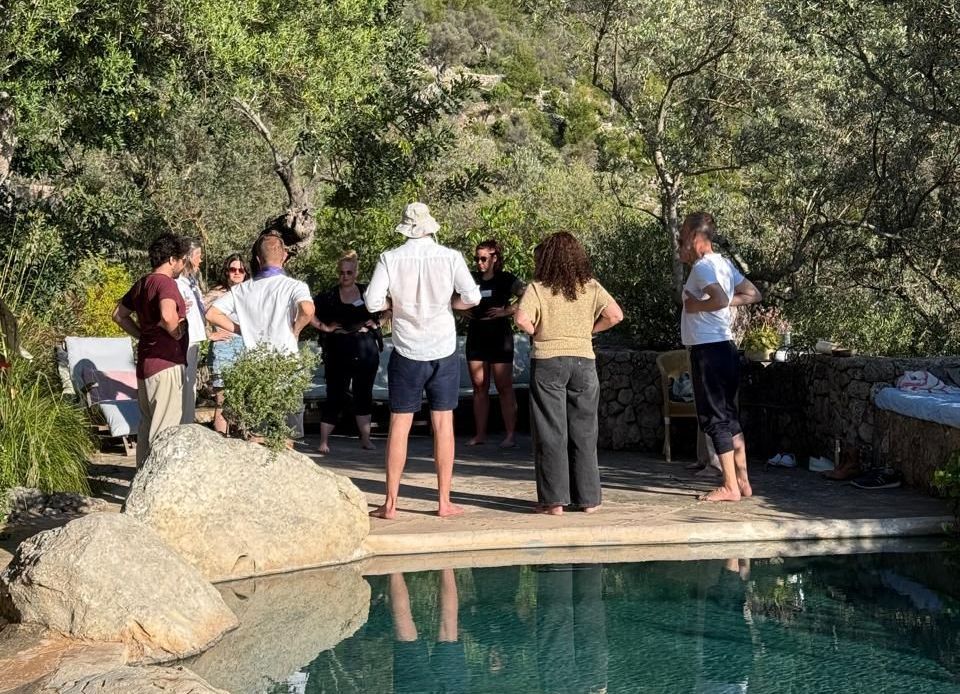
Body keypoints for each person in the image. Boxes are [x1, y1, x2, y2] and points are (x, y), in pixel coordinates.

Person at [364, 202, 481, 519]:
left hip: (406, 350)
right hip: (442, 347)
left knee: (399, 425)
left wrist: (394, 305)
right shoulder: (450, 257)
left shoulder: (390, 258)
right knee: (443, 425)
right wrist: (451, 304)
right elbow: (472, 297)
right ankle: (443, 501)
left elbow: (372, 301)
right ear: (430, 226)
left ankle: (390, 503)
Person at [514, 232, 623, 516]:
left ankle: (554, 502)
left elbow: (521, 319)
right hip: (584, 360)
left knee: (550, 432)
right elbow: (615, 315)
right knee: (584, 432)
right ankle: (589, 500)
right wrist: (589, 331)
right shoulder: (591, 286)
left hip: (548, 361)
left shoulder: (538, 288)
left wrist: (538, 332)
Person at [679, 212, 762, 502]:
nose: (681, 241)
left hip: (708, 350)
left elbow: (718, 298)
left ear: (694, 237)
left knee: (715, 419)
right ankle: (743, 482)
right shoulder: (723, 264)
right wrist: (721, 304)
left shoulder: (703, 267)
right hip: (725, 347)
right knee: (729, 416)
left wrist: (698, 307)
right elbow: (752, 293)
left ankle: (729, 486)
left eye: (682, 235)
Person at [205, 229, 315, 441]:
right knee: (287, 435)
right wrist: (296, 329)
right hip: (287, 367)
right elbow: (308, 310)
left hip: (255, 368)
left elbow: (211, 313)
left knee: (257, 433)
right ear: (284, 256)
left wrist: (240, 329)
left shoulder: (242, 290)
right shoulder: (294, 286)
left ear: (257, 259)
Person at [112, 233, 190, 466]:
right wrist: (176, 332)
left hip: (146, 364)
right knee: (165, 430)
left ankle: (141, 479)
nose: (183, 265)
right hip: (166, 362)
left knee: (147, 425)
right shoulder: (166, 283)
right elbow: (167, 315)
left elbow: (118, 315)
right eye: (182, 260)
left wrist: (142, 334)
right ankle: (158, 482)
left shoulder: (142, 283)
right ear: (172, 259)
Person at [311, 250, 381, 454]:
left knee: (363, 394)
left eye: (349, 272)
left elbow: (390, 305)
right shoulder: (328, 296)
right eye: (342, 272)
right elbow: (307, 311)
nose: (345, 276)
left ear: (356, 273)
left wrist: (378, 323)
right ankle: (324, 442)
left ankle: (366, 439)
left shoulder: (368, 293)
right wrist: (324, 327)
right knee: (335, 393)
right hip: (338, 349)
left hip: (365, 349)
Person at [464, 240, 525, 448]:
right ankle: (480, 434)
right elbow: (449, 295)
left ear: (494, 258)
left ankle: (510, 435)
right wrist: (460, 310)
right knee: (479, 385)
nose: (479, 263)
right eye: (476, 259)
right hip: (477, 334)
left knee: (503, 386)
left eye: (484, 258)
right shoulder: (471, 279)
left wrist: (507, 311)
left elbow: (527, 294)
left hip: (499, 335)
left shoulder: (506, 278)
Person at [202, 253, 249, 435]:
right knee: (223, 400)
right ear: (226, 271)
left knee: (242, 400)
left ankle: (239, 439)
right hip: (225, 348)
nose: (237, 273)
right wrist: (209, 334)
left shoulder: (249, 291)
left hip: (246, 348)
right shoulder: (218, 293)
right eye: (232, 269)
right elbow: (194, 313)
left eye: (241, 270)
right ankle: (221, 442)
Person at [176, 238, 207, 424]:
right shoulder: (177, 282)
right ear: (188, 257)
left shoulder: (191, 281)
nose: (200, 260)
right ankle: (183, 423)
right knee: (185, 383)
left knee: (191, 384)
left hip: (195, 337)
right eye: (198, 255)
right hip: (185, 338)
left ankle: (188, 421)